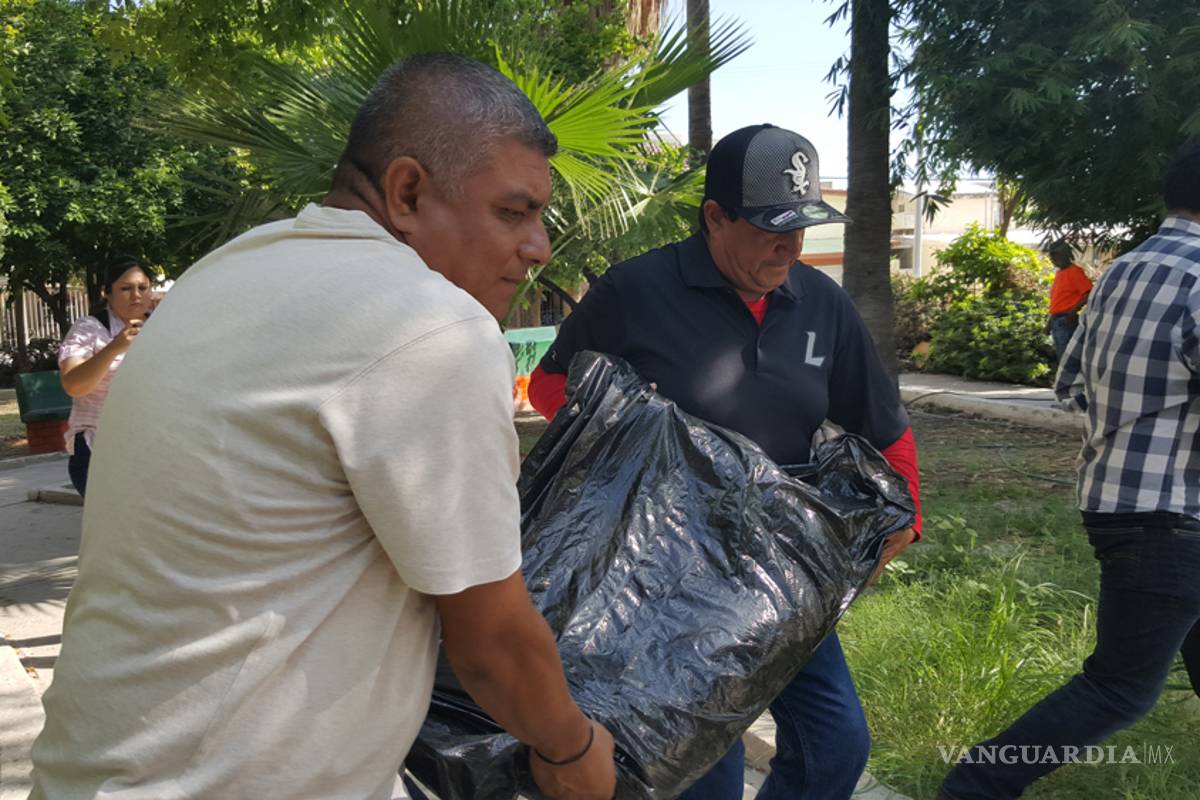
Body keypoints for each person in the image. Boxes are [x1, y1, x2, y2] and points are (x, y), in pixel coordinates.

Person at [31, 53, 616, 800]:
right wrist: (571, 750)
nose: (538, 248)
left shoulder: (225, 273)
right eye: (514, 212)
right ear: (406, 191)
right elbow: (492, 645)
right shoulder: (431, 327)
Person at [528, 124, 923, 800]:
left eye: (802, 227)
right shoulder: (637, 290)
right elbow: (551, 388)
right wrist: (649, 437)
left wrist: (906, 515)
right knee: (705, 764)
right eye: (773, 228)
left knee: (836, 743)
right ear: (715, 217)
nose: (792, 245)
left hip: (782, 564)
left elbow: (883, 426)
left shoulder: (820, 302)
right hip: (668, 566)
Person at [938, 139, 1200, 799]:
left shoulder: (1123, 271)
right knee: (1118, 687)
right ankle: (975, 787)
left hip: (1121, 501)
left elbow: (1073, 387)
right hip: (1175, 518)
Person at [57, 255, 154, 496]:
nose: (136, 296)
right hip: (98, 448)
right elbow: (73, 385)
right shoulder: (89, 329)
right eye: (125, 289)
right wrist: (114, 348)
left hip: (153, 449)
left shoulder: (164, 327)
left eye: (143, 288)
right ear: (107, 293)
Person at [1044, 239, 1093, 360]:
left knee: (1067, 358)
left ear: (1063, 255)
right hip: (1057, 319)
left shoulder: (1075, 272)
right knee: (1062, 355)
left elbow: (1089, 293)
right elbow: (1059, 301)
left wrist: (1074, 310)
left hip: (1066, 320)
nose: (1052, 259)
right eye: (1051, 255)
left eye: (1054, 255)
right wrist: (1050, 322)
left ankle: (1067, 378)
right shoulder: (1060, 273)